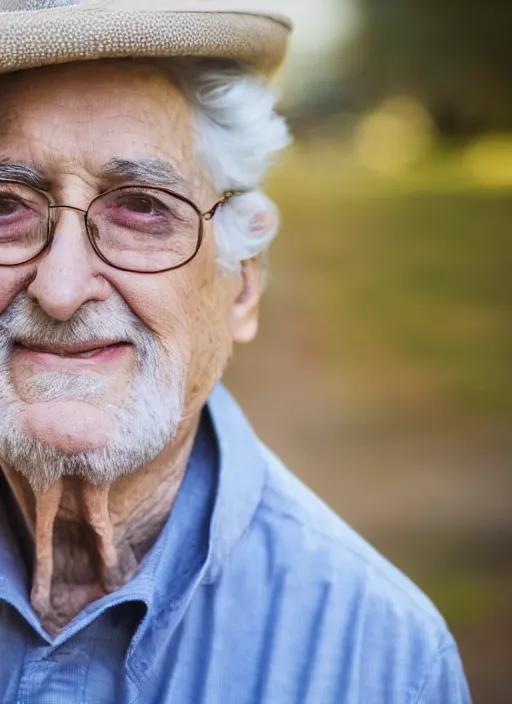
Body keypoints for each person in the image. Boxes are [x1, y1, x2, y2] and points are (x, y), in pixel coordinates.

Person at [0, 1, 471, 702]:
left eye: (142, 208)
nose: (62, 288)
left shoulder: (383, 663)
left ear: (242, 287)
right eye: (7, 206)